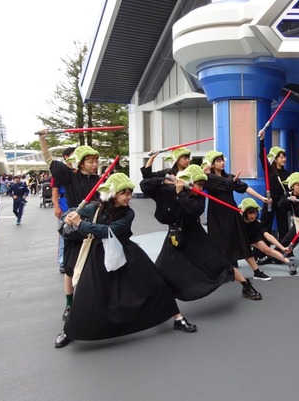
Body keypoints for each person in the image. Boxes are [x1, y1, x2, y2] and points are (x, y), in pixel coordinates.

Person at [54, 173, 196, 348]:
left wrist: (80, 223)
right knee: (86, 295)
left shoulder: (129, 213)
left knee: (156, 284)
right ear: (114, 194)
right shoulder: (94, 208)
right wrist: (69, 218)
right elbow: (71, 217)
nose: (129, 197)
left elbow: (108, 232)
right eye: (125, 194)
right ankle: (69, 331)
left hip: (127, 252)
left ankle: (178, 318)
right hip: (98, 256)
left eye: (130, 193)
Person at [140, 163, 262, 301]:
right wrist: (163, 180)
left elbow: (195, 209)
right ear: (189, 183)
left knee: (219, 262)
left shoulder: (198, 198)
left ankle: (246, 285)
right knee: (161, 268)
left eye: (203, 185)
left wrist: (180, 194)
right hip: (176, 236)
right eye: (199, 184)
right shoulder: (169, 190)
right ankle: (158, 300)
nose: (201, 188)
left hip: (196, 236)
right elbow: (144, 185)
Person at [39, 129, 102, 322]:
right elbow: (49, 160)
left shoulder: (100, 180)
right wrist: (42, 139)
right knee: (70, 268)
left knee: (95, 267)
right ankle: (69, 304)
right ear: (81, 162)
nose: (94, 164)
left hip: (93, 228)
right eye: (90, 161)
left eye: (96, 161)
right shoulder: (69, 176)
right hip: (74, 228)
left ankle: (95, 302)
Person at [202, 150, 272, 281]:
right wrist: (204, 172)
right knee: (218, 244)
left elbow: (244, 187)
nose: (222, 163)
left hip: (231, 213)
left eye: (222, 160)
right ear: (212, 164)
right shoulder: (208, 178)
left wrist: (261, 198)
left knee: (242, 241)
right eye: (218, 161)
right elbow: (199, 181)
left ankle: (257, 271)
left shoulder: (229, 177)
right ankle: (223, 272)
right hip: (216, 216)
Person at [239, 197, 298, 275]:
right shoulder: (237, 219)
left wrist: (283, 248)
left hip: (252, 238)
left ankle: (290, 263)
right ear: (244, 212)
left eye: (255, 213)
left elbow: (268, 236)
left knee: (267, 249)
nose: (253, 216)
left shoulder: (258, 223)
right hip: (239, 238)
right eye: (250, 213)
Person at [258, 129, 291, 240]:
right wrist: (261, 140)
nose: (284, 159)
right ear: (275, 159)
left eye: (284, 157)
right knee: (265, 223)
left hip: (282, 201)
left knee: (284, 225)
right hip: (270, 199)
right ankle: (263, 246)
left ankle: (284, 247)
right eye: (281, 157)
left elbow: (289, 188)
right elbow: (262, 156)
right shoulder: (269, 170)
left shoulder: (287, 174)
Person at [52, 147, 76, 273]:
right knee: (63, 235)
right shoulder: (59, 172)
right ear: (66, 157)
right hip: (64, 207)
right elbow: (55, 191)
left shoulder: (79, 170)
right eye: (73, 154)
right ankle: (62, 261)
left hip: (78, 207)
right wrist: (56, 206)